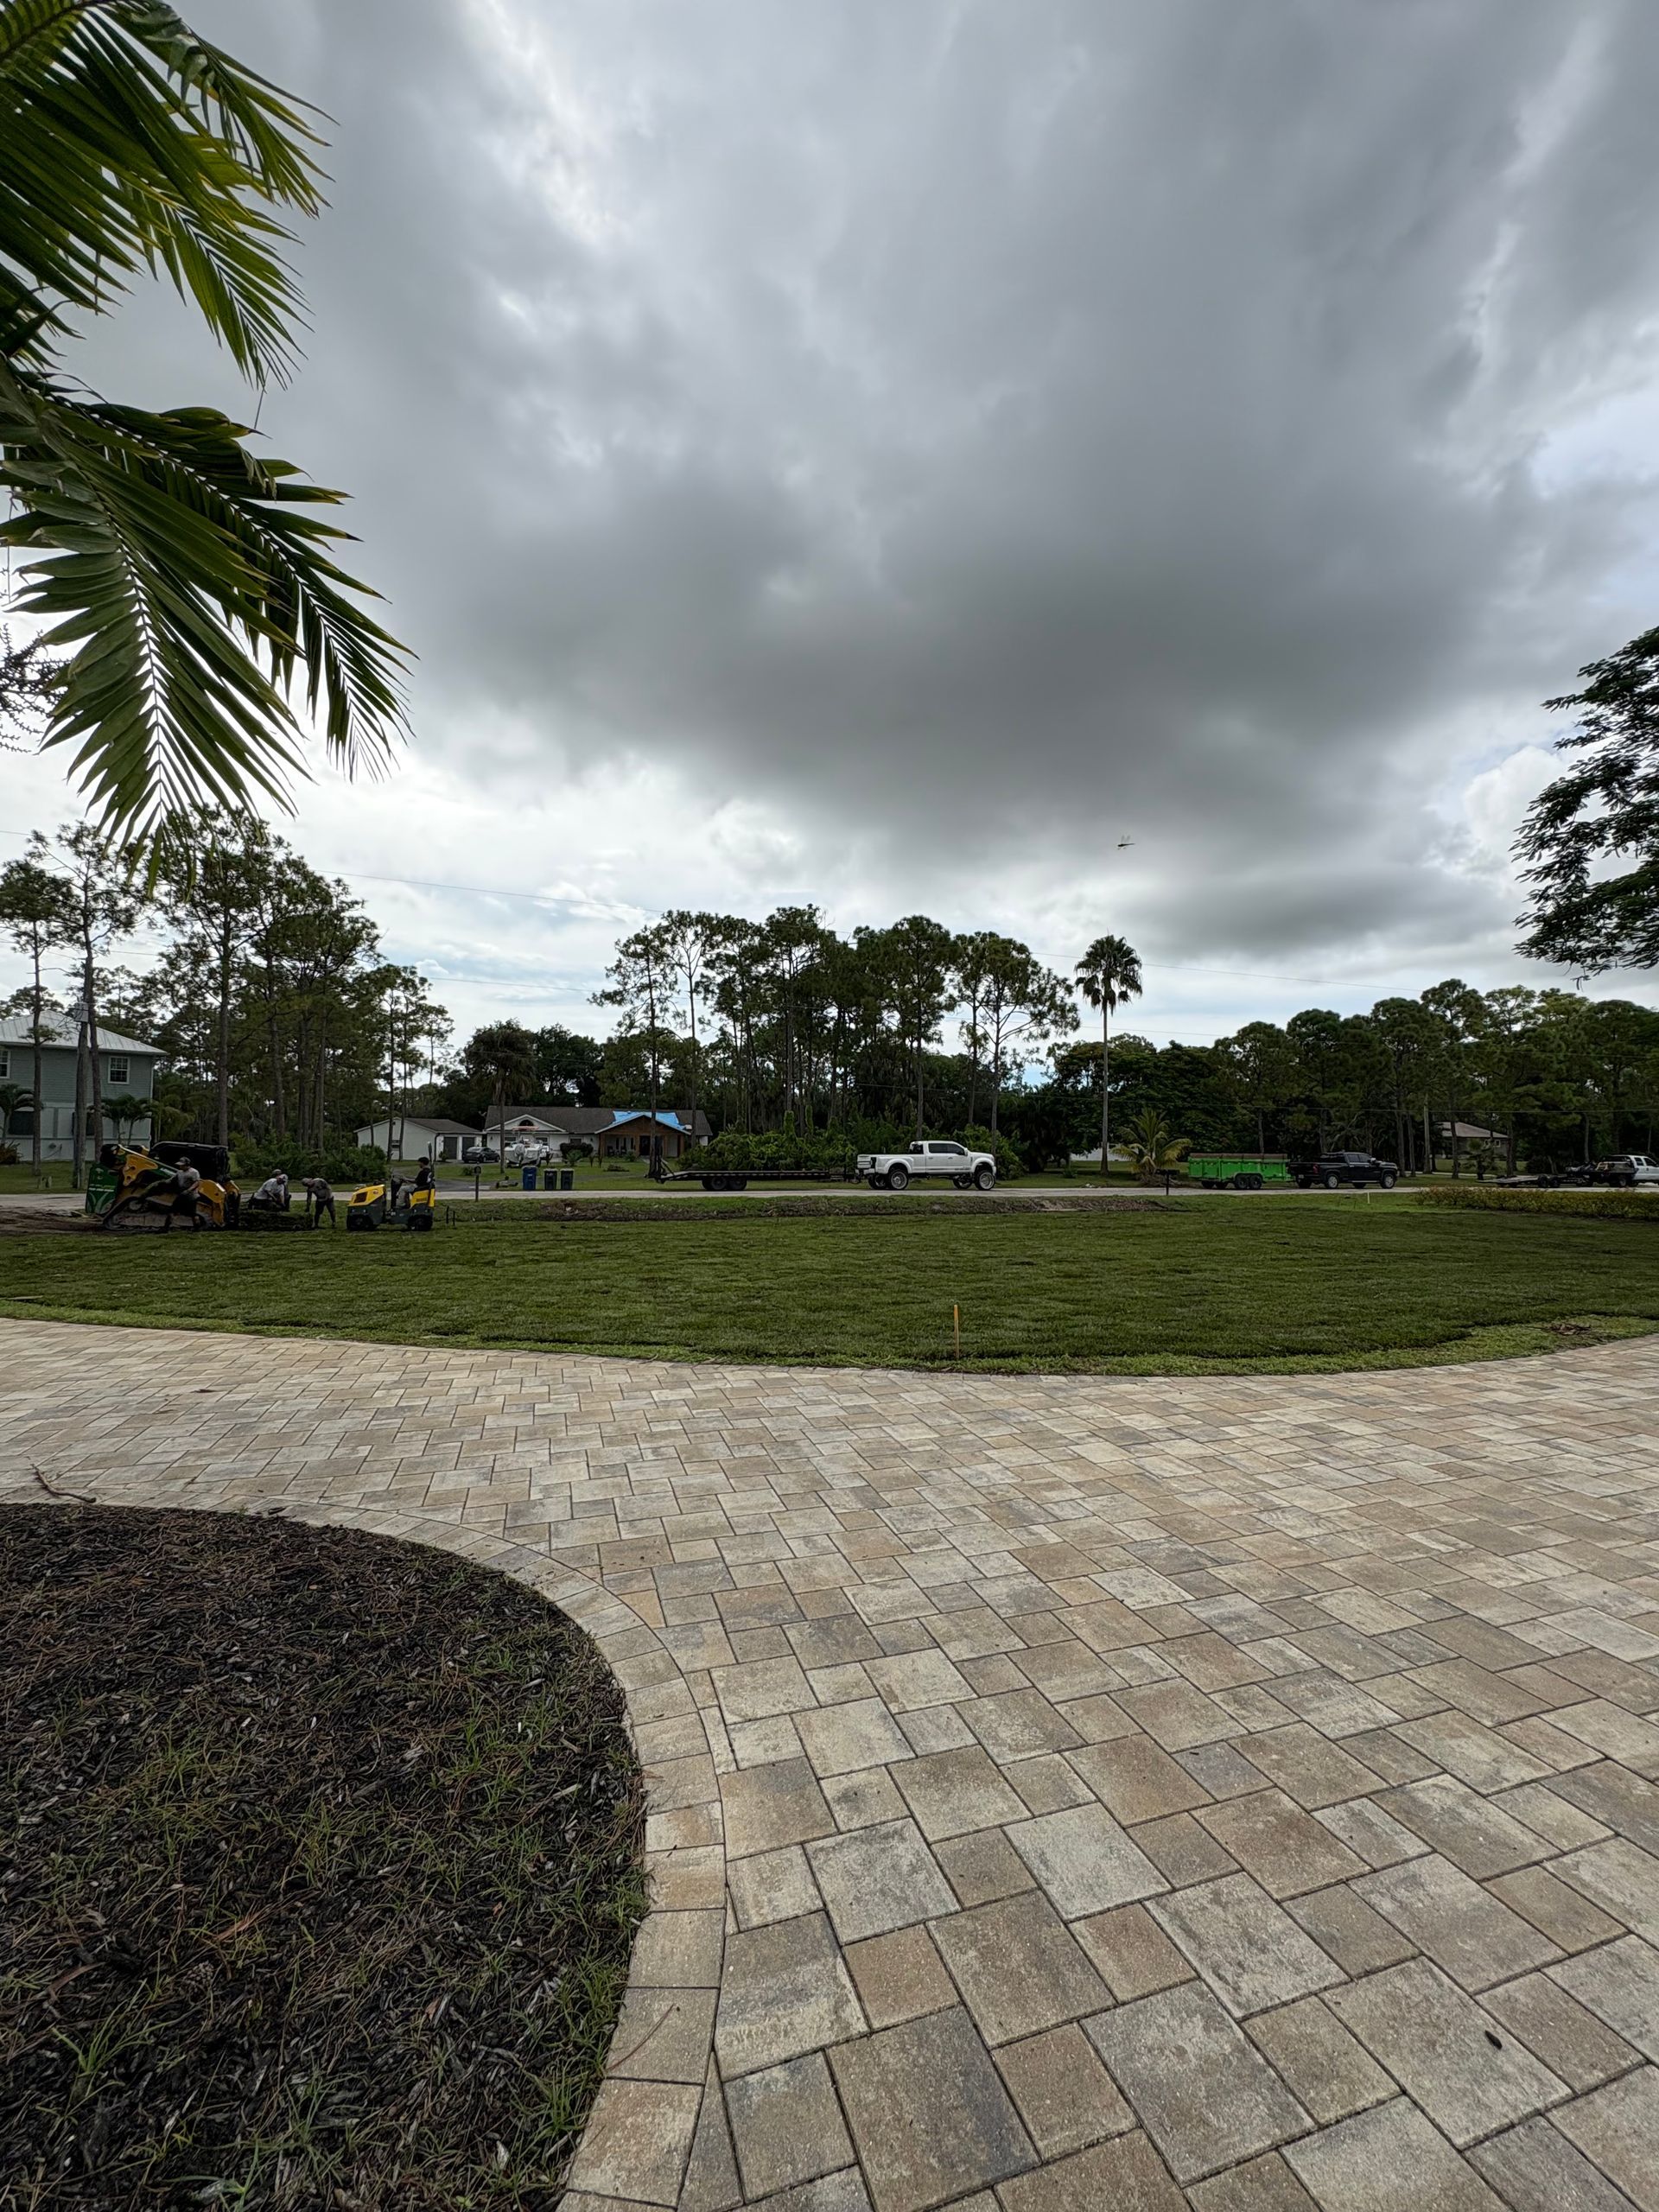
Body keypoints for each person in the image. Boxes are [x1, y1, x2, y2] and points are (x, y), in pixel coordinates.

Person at [170, 1157, 203, 1229]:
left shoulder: (194, 1172)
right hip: (182, 1194)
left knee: (193, 1213)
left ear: (187, 1165)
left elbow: (197, 1182)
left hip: (191, 1195)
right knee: (173, 1210)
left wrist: (189, 1190)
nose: (180, 1166)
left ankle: (197, 1228)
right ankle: (166, 1227)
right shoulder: (179, 1172)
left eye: (182, 1165)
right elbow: (173, 1179)